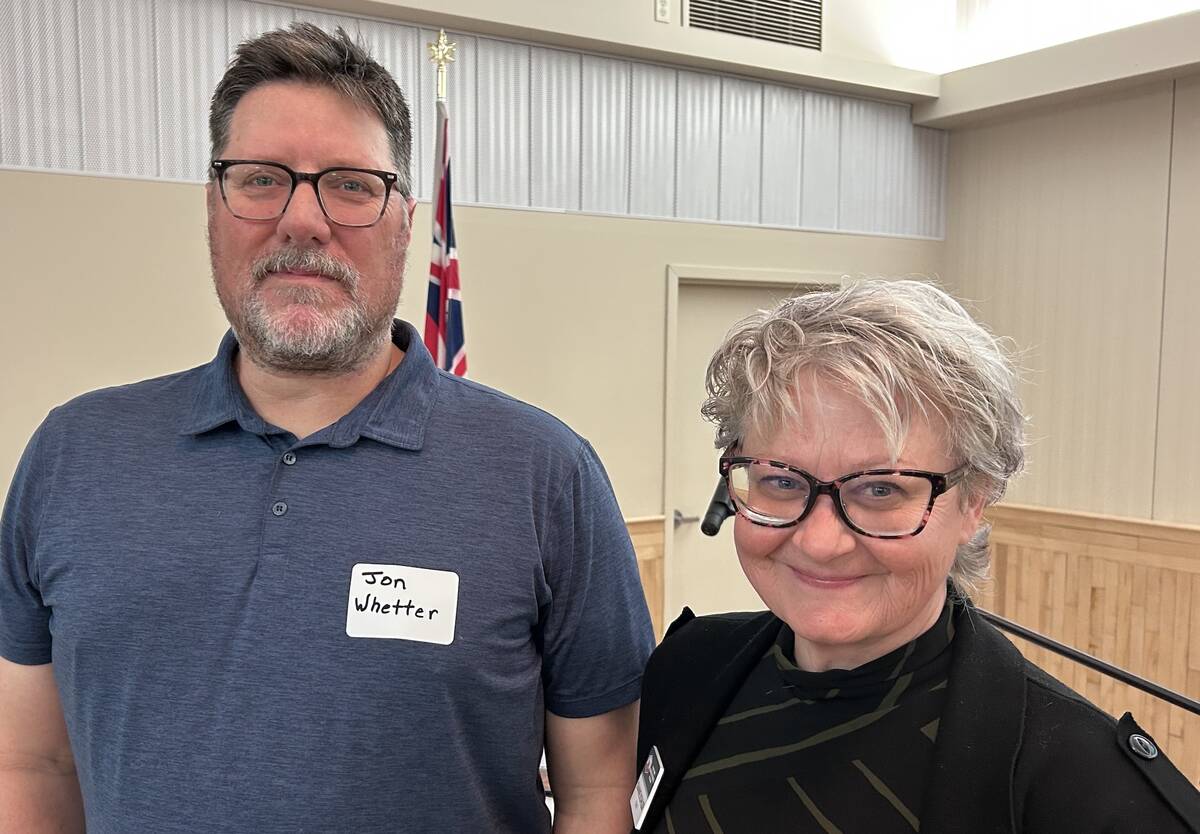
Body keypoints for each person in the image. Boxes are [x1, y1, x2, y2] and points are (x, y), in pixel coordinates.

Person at [0, 24, 653, 834]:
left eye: (349, 184)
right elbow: (33, 763)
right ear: (213, 207)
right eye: (262, 179)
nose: (302, 220)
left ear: (406, 223)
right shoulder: (73, 456)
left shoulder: (544, 474)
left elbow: (596, 793)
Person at [634, 280, 1200, 833]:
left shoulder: (1086, 791)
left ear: (975, 499)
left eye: (881, 490)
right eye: (781, 481)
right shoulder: (686, 671)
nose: (819, 541)